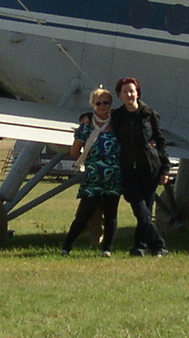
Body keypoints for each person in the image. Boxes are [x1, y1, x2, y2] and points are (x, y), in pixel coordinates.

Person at [109, 76, 170, 256]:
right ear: (119, 95)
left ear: (138, 93)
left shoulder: (149, 114)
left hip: (149, 167)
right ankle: (159, 245)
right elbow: (101, 121)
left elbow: (160, 141)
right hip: (128, 168)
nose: (129, 94)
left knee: (146, 210)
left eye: (132, 91)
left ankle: (140, 247)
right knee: (139, 208)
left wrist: (165, 168)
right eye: (125, 91)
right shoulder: (117, 116)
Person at [62, 87, 120, 255]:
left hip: (114, 177)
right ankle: (67, 247)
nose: (102, 106)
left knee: (111, 215)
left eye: (106, 103)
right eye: (98, 103)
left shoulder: (117, 124)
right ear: (93, 105)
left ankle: (107, 249)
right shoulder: (86, 126)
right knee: (84, 214)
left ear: (111, 104)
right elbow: (74, 152)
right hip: (93, 176)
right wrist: (90, 159)